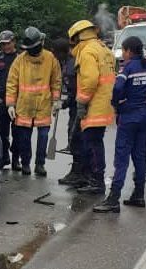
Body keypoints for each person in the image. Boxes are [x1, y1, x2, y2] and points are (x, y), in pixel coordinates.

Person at [93, 37, 146, 213]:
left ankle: (113, 199)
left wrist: (117, 104)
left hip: (130, 116)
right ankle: (139, 195)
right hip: (145, 115)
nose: (123, 54)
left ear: (129, 51)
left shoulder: (128, 68)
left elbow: (117, 89)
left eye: (123, 50)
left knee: (121, 159)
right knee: (139, 156)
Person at [67, 20, 115, 194]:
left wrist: (82, 102)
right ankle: (91, 178)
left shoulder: (87, 52)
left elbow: (90, 80)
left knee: (92, 145)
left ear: (77, 37)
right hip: (104, 104)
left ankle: (96, 181)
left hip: (94, 106)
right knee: (94, 142)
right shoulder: (103, 49)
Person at [5, 27, 61, 176]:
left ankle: (40, 164)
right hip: (25, 105)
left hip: (43, 105)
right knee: (24, 138)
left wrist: (56, 100)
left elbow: (56, 81)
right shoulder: (20, 60)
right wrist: (10, 104)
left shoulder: (50, 58)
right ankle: (25, 163)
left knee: (43, 137)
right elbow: (12, 83)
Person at [52, 38, 85, 186]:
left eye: (55, 52)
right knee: (76, 139)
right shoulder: (67, 62)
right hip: (76, 107)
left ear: (61, 52)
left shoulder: (71, 66)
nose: (53, 55)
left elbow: (74, 92)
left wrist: (63, 104)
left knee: (75, 140)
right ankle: (81, 172)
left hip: (78, 108)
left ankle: (78, 173)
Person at [0, 30, 20, 169]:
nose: (5, 46)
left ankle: (16, 159)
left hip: (18, 98)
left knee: (18, 131)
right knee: (1, 130)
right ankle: (3, 157)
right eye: (3, 44)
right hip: (1, 98)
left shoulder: (21, 58)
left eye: (7, 43)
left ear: (13, 42)